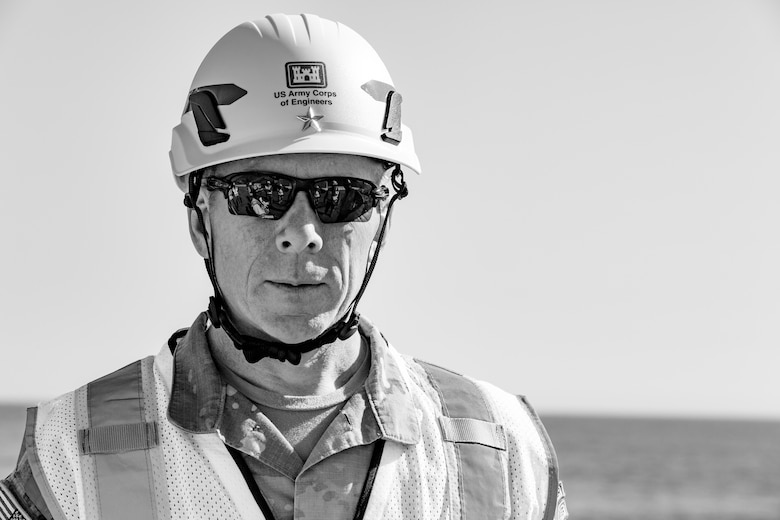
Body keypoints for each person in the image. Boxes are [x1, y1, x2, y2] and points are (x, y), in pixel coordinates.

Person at [1, 13, 568, 520]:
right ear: (201, 223)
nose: (301, 235)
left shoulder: (504, 452)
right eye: (260, 193)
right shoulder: (66, 458)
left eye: (342, 196)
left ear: (382, 222)